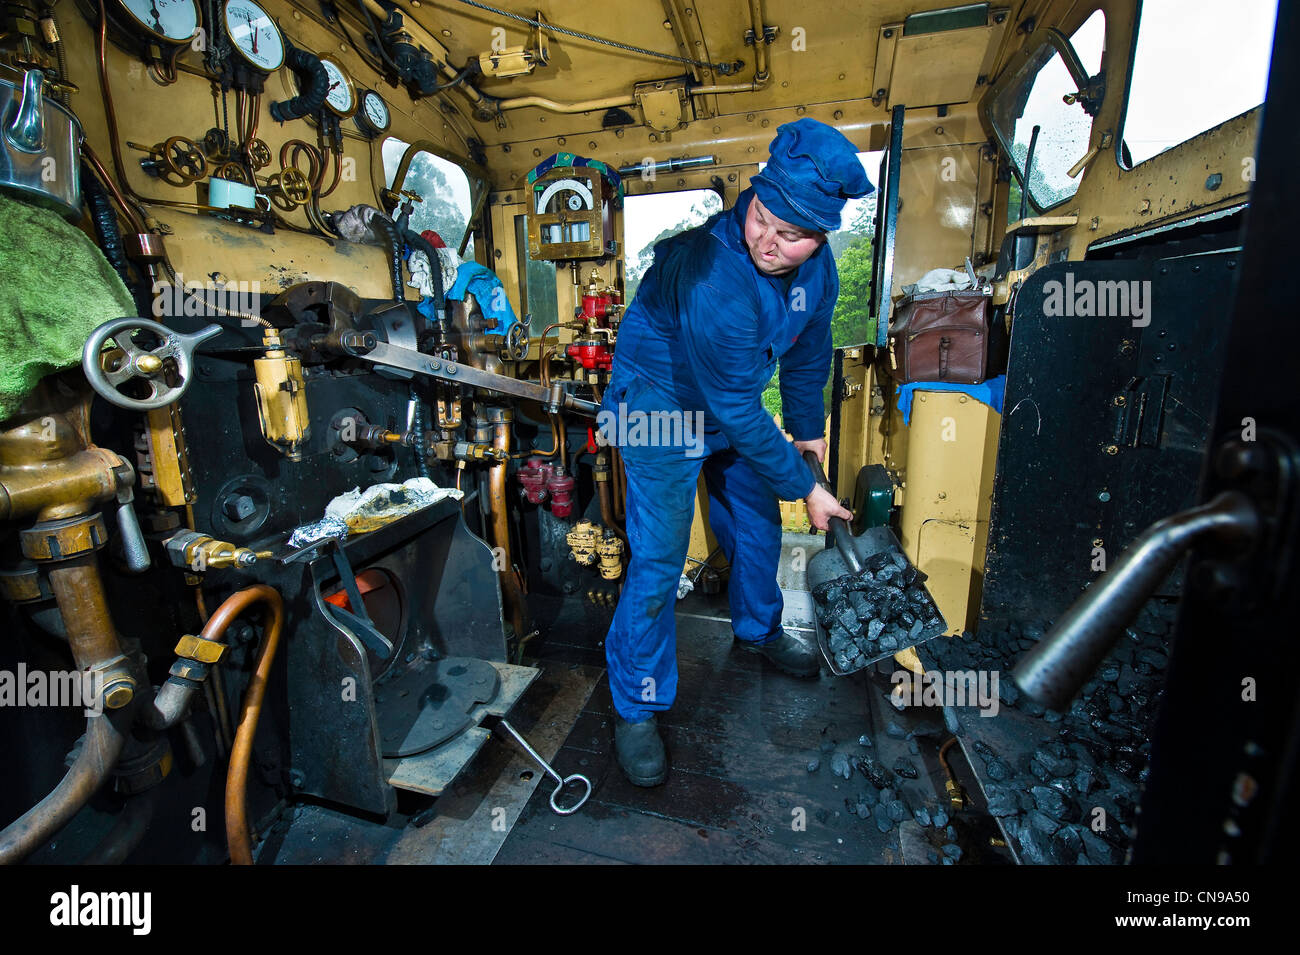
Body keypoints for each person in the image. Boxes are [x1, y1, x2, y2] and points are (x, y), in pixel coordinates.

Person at [599, 118, 873, 786]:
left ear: (823, 236)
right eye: (761, 219)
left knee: (756, 521)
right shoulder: (710, 273)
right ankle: (636, 704)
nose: (769, 243)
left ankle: (757, 626)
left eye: (792, 235)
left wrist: (808, 432)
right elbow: (739, 410)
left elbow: (809, 351)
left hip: (728, 403)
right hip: (659, 404)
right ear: (753, 196)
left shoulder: (819, 272)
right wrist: (808, 487)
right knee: (661, 558)